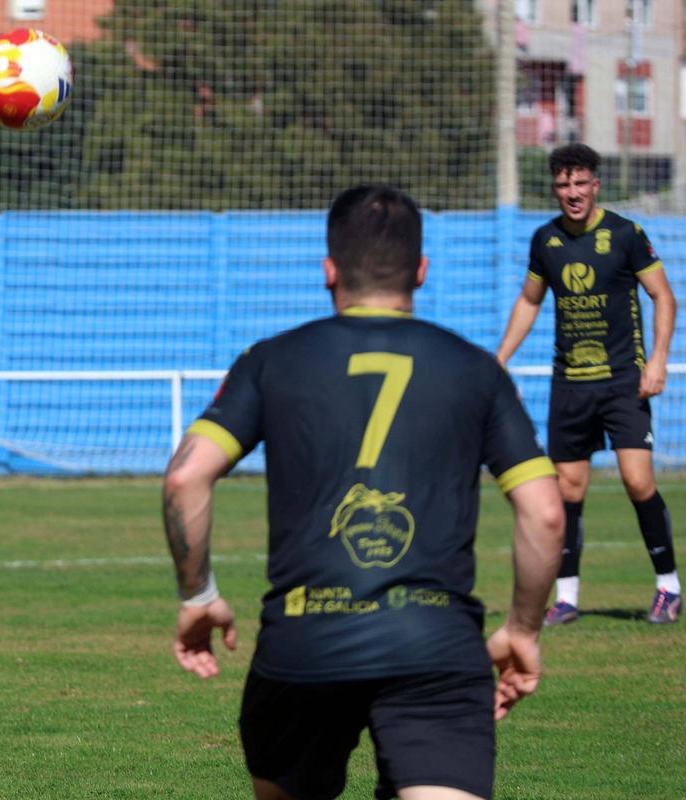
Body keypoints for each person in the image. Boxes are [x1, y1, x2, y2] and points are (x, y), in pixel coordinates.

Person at [162, 185, 564, 800]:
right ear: (421, 271)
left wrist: (200, 594)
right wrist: (523, 629)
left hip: (302, 644)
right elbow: (545, 514)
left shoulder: (269, 361)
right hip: (435, 647)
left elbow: (186, 477)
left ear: (329, 270)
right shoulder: (478, 370)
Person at [496, 143, 680, 626]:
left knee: (639, 481)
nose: (572, 193)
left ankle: (668, 587)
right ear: (554, 188)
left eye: (581, 184)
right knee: (568, 490)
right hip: (571, 384)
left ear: (595, 185)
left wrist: (657, 361)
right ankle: (568, 597)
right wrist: (499, 359)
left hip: (624, 381)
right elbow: (529, 302)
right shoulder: (545, 241)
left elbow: (663, 298)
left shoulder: (626, 234)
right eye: (563, 185)